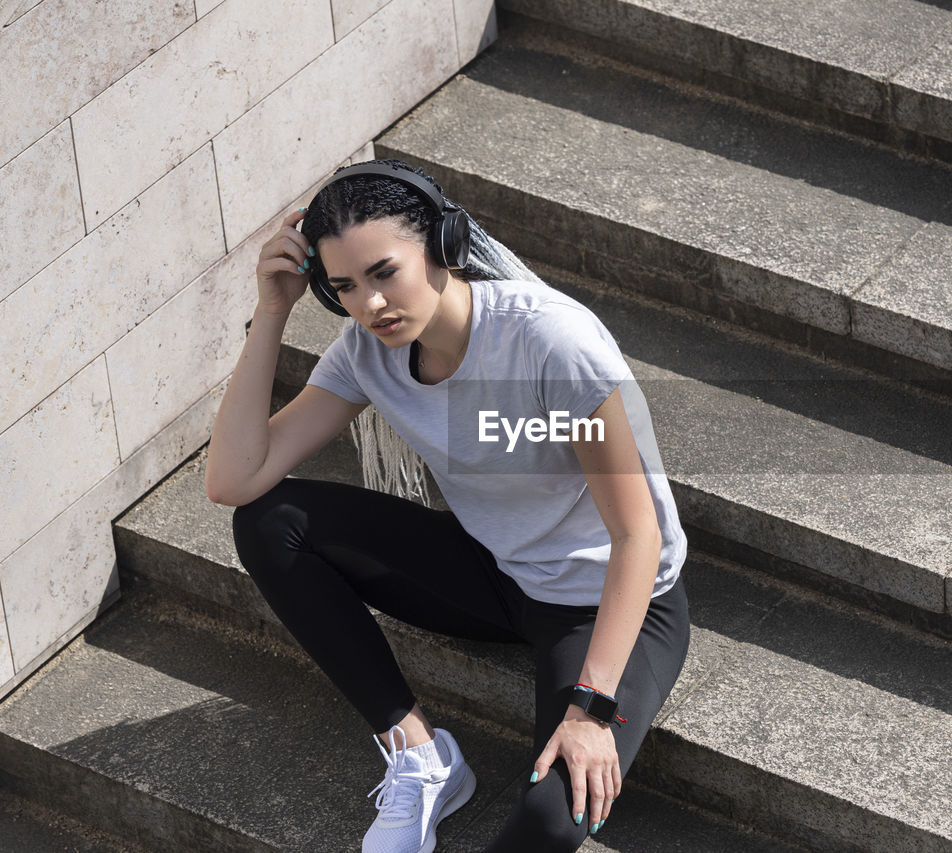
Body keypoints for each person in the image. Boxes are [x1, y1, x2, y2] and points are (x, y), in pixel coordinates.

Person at [204, 158, 690, 853]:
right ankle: (420, 754)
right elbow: (235, 478)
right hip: (496, 569)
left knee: (554, 816)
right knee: (269, 523)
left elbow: (637, 533)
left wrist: (592, 706)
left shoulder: (550, 346)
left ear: (444, 245)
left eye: (383, 272)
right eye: (342, 287)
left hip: (610, 598)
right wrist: (272, 311)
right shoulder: (367, 352)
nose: (369, 304)